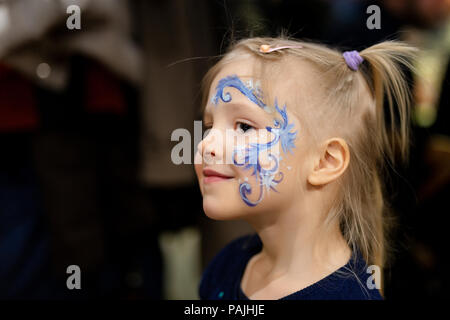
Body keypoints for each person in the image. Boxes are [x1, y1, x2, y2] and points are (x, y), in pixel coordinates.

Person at [194, 37, 417, 300]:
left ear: (325, 162)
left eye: (244, 126)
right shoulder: (229, 264)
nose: (206, 144)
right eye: (209, 126)